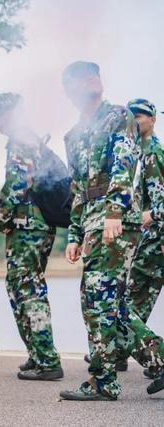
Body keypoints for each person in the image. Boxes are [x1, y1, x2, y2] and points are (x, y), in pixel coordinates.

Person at [59, 61, 164, 400]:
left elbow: (124, 162)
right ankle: (157, 359)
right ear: (71, 89)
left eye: (96, 74)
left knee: (100, 298)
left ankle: (104, 381)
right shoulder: (72, 135)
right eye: (84, 76)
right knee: (108, 302)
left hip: (117, 219)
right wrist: (74, 234)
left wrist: (114, 211)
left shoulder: (119, 116)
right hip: (91, 219)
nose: (94, 79)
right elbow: (77, 187)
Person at [0, 93, 63, 381]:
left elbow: (18, 184)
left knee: (28, 290)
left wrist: (0, 217)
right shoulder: (28, 138)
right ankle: (37, 353)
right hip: (36, 224)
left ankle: (47, 360)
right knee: (21, 287)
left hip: (28, 225)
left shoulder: (21, 139)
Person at [122, 99, 164, 379]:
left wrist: (149, 215)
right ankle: (116, 354)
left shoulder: (153, 153)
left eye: (141, 116)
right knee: (140, 302)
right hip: (150, 240)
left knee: (122, 300)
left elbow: (159, 203)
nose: (137, 122)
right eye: (132, 117)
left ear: (153, 119)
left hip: (154, 241)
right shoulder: (139, 152)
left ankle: (157, 357)